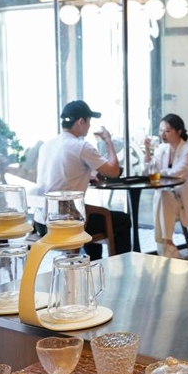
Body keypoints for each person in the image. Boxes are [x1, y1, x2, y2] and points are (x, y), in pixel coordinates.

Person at [34, 100, 132, 260]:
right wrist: (107, 140)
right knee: (122, 220)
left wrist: (87, 176)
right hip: (64, 226)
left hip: (41, 223)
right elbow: (113, 171)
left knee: (89, 215)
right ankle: (121, 270)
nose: (89, 127)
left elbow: (61, 175)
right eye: (89, 122)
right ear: (81, 121)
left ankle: (93, 265)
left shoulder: (47, 145)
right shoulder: (80, 146)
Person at [143, 114, 188, 258]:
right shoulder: (162, 149)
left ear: (179, 131)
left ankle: (164, 247)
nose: (163, 134)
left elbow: (179, 173)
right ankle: (168, 244)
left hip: (186, 198)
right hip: (169, 198)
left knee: (162, 196)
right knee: (162, 195)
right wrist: (146, 150)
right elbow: (148, 171)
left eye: (167, 130)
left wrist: (159, 173)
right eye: (161, 130)